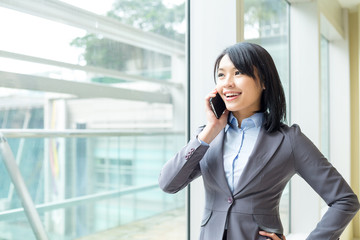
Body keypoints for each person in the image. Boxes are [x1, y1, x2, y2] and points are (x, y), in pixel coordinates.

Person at [158, 42, 360, 240]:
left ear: (263, 81)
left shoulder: (289, 140)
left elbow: (345, 200)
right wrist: (210, 131)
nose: (227, 82)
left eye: (238, 73)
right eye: (221, 74)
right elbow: (168, 183)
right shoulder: (208, 137)